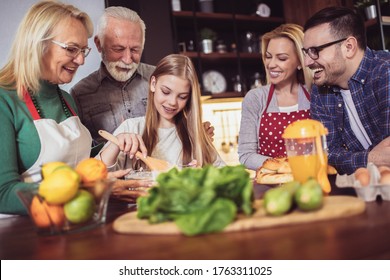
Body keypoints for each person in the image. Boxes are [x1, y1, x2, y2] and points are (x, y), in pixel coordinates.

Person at [0, 1, 147, 215]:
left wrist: (116, 143)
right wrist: (92, 190)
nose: (79, 60)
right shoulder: (5, 100)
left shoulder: (66, 98)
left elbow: (81, 162)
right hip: (24, 233)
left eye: (83, 50)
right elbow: (3, 193)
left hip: (75, 223)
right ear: (36, 44)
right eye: (71, 49)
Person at [70, 6, 214, 149]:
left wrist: (197, 134)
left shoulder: (160, 79)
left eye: (135, 49)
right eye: (118, 49)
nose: (127, 59)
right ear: (99, 44)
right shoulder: (79, 94)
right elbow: (83, 153)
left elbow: (181, 126)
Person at [302, 6, 390, 175]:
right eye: (306, 52)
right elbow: (324, 154)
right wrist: (370, 159)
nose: (307, 62)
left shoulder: (386, 72)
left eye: (315, 51)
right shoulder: (320, 90)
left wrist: (349, 159)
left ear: (349, 47)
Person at [98, 54, 225, 170]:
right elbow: (96, 173)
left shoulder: (196, 135)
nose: (172, 102)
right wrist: (116, 143)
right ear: (153, 84)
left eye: (182, 97)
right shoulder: (131, 128)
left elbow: (222, 176)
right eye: (166, 91)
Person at [238, 23, 313, 171]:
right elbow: (246, 155)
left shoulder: (314, 95)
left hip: (310, 179)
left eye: (282, 58)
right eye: (268, 57)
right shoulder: (255, 98)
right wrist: (286, 166)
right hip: (271, 184)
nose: (271, 64)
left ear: (300, 61)